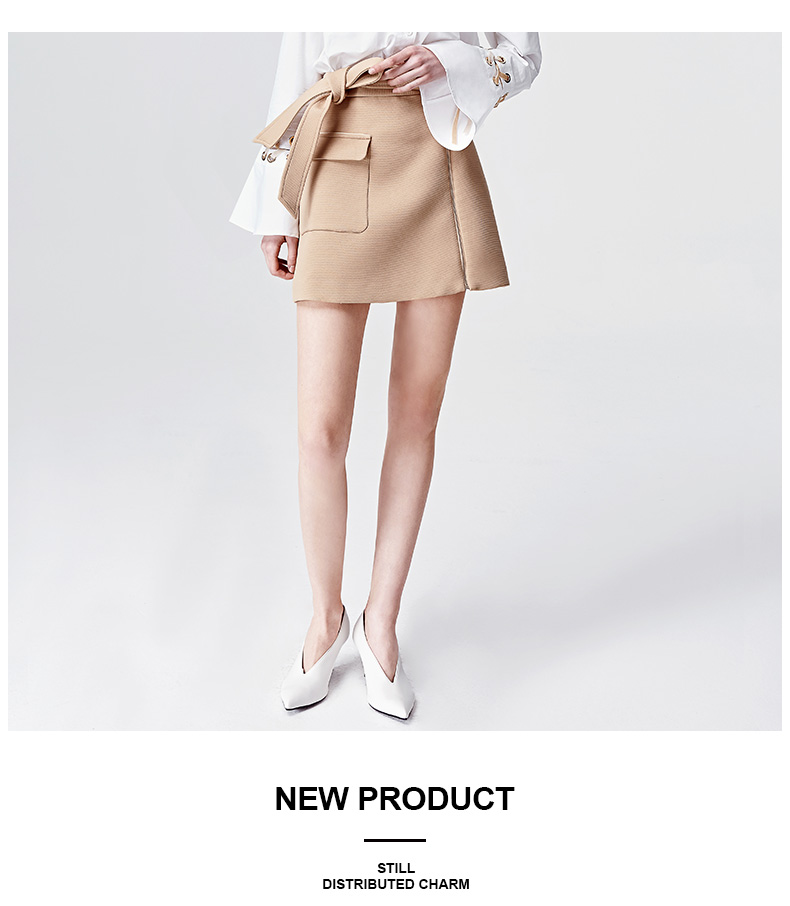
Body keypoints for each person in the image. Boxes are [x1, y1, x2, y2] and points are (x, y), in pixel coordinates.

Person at [230, 32, 542, 720]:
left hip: (436, 163)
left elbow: (523, 56)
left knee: (416, 416)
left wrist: (452, 60)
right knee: (320, 430)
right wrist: (278, 210)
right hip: (337, 159)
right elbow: (294, 76)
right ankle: (325, 620)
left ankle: (381, 623)